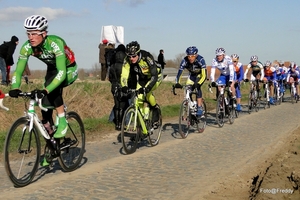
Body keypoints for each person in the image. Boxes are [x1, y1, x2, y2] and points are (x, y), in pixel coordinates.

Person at [8, 15, 78, 167]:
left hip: (68, 69)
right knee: (45, 110)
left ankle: (63, 119)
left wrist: (45, 90)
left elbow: (60, 74)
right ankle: (51, 146)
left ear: (44, 34)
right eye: (28, 33)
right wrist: (14, 87)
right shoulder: (27, 47)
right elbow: (19, 71)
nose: (30, 37)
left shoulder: (55, 43)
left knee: (52, 89)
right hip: (52, 69)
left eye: (34, 33)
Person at [120, 41, 162, 127]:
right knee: (138, 98)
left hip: (155, 76)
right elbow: (124, 75)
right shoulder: (127, 60)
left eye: (134, 56)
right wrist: (124, 86)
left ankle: (155, 109)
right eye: (129, 56)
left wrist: (147, 88)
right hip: (143, 78)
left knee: (147, 92)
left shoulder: (147, 57)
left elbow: (154, 75)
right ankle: (142, 126)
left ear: (138, 53)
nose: (131, 58)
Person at [174, 46, 207, 117]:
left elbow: (204, 75)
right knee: (187, 90)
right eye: (188, 56)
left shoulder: (201, 60)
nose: (190, 58)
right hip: (192, 76)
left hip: (200, 76)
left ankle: (199, 107)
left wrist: (199, 83)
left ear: (196, 55)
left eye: (192, 56)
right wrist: (177, 83)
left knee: (197, 88)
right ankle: (191, 106)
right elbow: (179, 73)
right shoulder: (184, 61)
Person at [108, 44, 128, 131]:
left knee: (117, 106)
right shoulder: (125, 66)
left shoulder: (112, 66)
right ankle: (122, 123)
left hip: (114, 86)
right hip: (122, 86)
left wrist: (113, 83)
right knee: (123, 106)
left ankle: (117, 124)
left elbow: (110, 78)